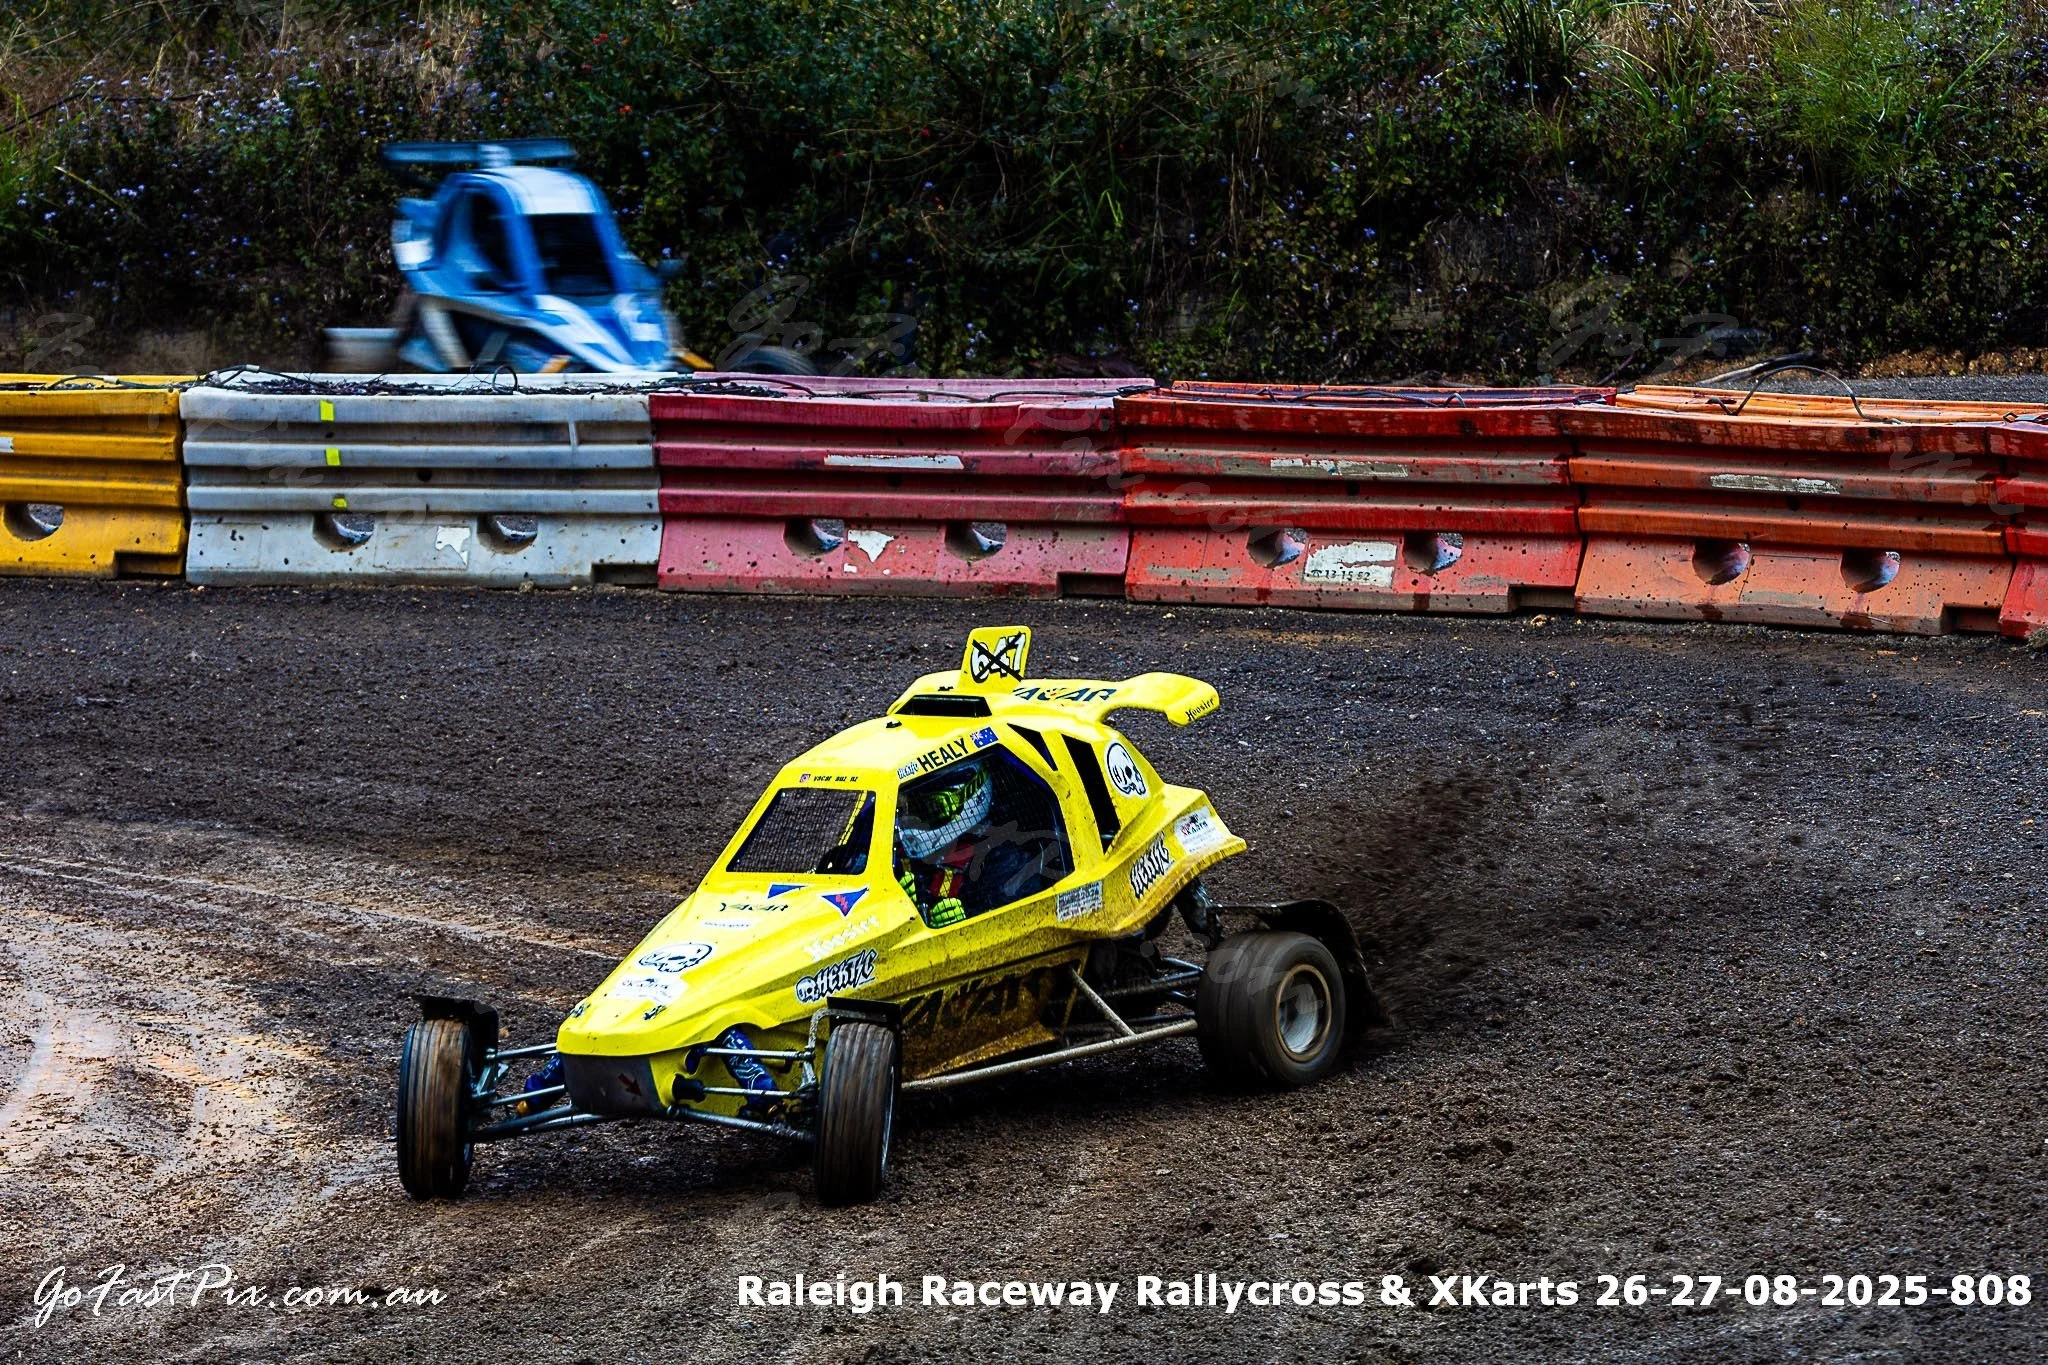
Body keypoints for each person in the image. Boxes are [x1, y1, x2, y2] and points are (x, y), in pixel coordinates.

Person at [894, 757, 1059, 927]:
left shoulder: (1006, 865)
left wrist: (969, 921)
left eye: (929, 808)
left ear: (971, 799)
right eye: (902, 810)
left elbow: (1031, 925)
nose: (906, 820)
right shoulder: (899, 862)